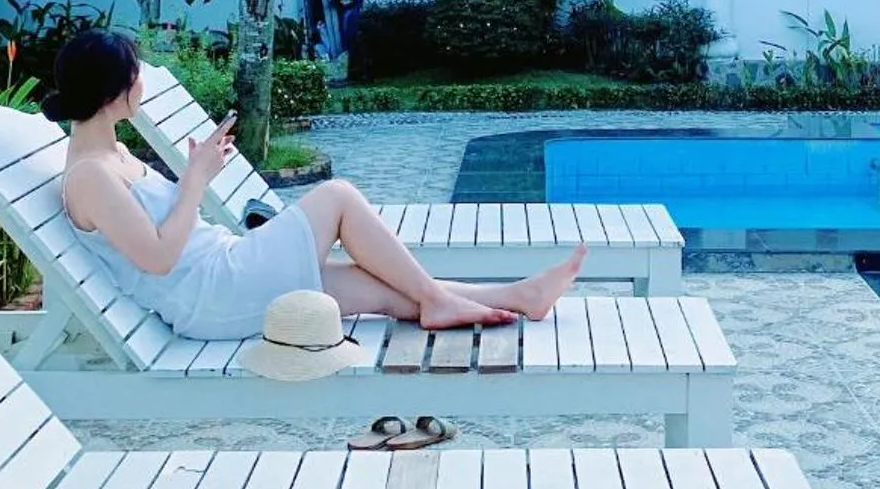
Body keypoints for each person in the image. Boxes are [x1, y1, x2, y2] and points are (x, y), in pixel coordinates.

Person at [47, 28, 584, 342]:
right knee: (338, 197)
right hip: (214, 293)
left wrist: (196, 177)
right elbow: (160, 259)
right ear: (113, 93)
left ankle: (520, 297)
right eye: (136, 72)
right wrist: (195, 179)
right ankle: (441, 300)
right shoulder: (91, 176)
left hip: (225, 273)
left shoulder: (111, 155)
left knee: (379, 289)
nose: (143, 80)